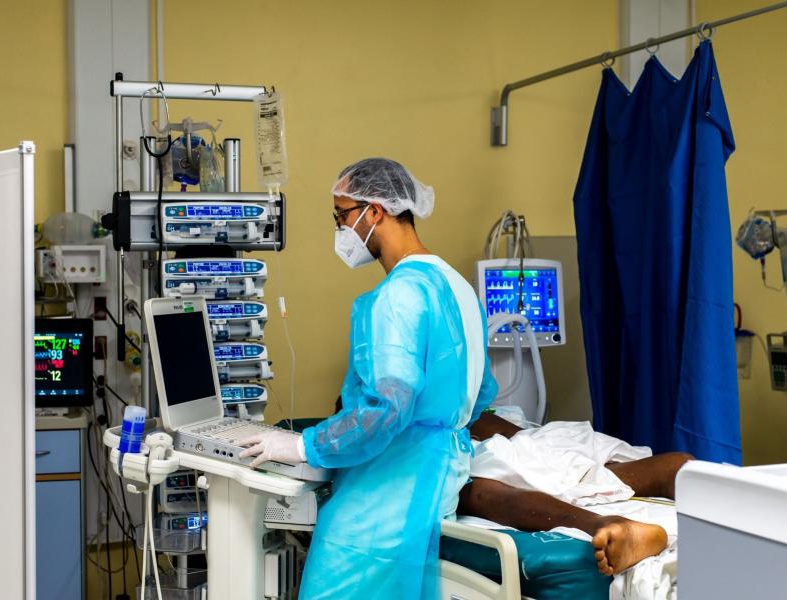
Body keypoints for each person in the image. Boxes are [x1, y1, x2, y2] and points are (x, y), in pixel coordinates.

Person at [239, 158, 499, 599]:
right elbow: (481, 394)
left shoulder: (398, 296)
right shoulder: (457, 286)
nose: (340, 230)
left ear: (374, 211)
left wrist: (303, 445)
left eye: (341, 216)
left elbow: (386, 408)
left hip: (387, 494)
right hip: (439, 477)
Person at [460, 412, 694, 576]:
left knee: (475, 490)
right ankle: (677, 472)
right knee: (555, 459)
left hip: (476, 443)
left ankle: (603, 524)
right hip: (530, 441)